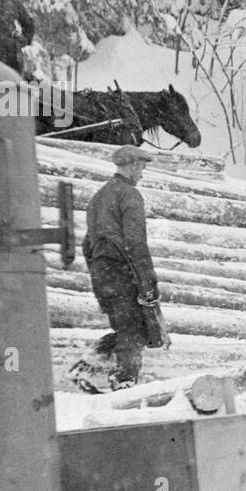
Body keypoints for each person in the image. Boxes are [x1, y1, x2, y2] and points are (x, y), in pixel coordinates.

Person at [69, 146, 161, 392]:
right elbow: (135, 242)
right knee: (134, 330)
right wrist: (147, 281)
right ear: (132, 166)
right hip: (121, 270)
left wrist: (97, 275)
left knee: (124, 327)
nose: (142, 174)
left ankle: (86, 367)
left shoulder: (98, 198)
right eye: (141, 168)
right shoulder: (130, 195)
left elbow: (87, 245)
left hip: (101, 271)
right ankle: (124, 384)